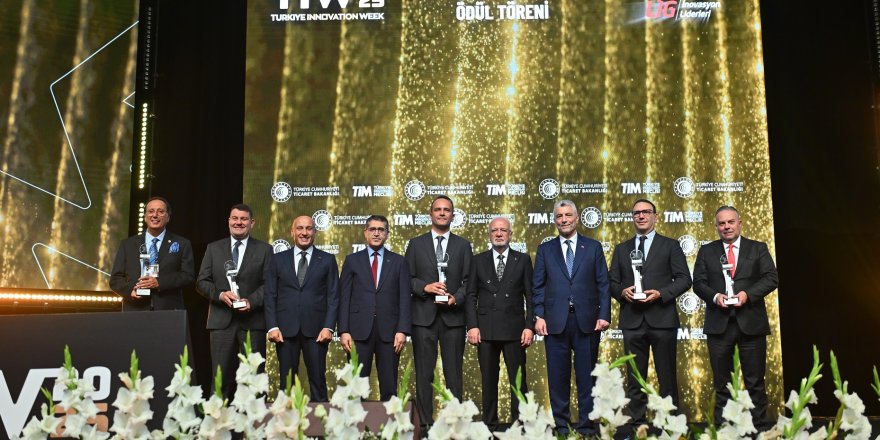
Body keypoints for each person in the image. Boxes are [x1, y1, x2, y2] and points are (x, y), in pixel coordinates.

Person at [609, 199, 691, 434]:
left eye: (646, 212)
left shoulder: (671, 246)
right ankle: (638, 425)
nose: (641, 216)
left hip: (662, 320)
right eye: (637, 213)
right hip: (632, 321)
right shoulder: (622, 248)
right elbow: (612, 282)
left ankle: (669, 425)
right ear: (632, 217)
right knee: (635, 377)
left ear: (656, 216)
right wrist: (622, 292)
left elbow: (685, 279)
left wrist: (661, 294)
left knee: (667, 377)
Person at [693, 205, 778, 431]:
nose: (726, 227)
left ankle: (759, 430)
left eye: (731, 222)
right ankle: (723, 431)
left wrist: (747, 295)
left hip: (751, 324)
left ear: (740, 223)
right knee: (722, 385)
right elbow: (698, 283)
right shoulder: (707, 251)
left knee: (755, 383)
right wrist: (716, 297)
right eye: (721, 223)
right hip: (719, 325)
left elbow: (771, 278)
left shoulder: (758, 248)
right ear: (716, 226)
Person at [533, 199, 610, 436]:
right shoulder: (545, 249)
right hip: (554, 323)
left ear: (576, 218)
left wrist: (604, 315)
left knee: (587, 379)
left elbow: (603, 284)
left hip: (587, 322)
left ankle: (587, 427)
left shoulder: (593, 247)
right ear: (554, 220)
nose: (564, 220)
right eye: (559, 216)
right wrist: (539, 315)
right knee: (558, 379)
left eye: (568, 215)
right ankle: (563, 428)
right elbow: (538, 286)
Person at [404, 195, 473, 429]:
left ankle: (455, 425)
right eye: (438, 209)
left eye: (447, 210)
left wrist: (456, 298)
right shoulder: (416, 244)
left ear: (453, 215)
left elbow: (468, 282)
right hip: (423, 318)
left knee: (454, 375)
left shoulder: (463, 245)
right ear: (431, 214)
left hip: (453, 318)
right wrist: (425, 287)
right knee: (424, 374)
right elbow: (407, 279)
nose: (442, 213)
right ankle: (425, 425)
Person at [196, 203, 274, 399]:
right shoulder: (213, 248)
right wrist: (220, 295)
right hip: (221, 322)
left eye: (244, 219)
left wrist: (251, 301)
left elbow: (270, 284)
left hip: (253, 322)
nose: (239, 222)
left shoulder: (265, 250)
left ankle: (254, 419)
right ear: (229, 221)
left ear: (252, 223)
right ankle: (217, 417)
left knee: (254, 380)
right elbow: (202, 282)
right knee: (220, 379)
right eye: (235, 218)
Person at [465, 217, 534, 431]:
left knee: (518, 381)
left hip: (515, 330)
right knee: (488, 381)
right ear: (489, 235)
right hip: (485, 330)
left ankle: (520, 426)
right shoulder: (478, 260)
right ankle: (489, 426)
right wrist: (472, 326)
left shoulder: (523, 260)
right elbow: (471, 295)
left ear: (510, 234)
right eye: (494, 230)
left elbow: (531, 296)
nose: (499, 233)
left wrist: (529, 326)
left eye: (503, 230)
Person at [264, 215, 339, 401]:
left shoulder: (327, 260)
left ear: (315, 232)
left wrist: (329, 327)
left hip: (317, 331)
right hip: (284, 331)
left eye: (308, 228)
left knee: (318, 383)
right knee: (287, 384)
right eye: (300, 228)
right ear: (292, 231)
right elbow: (270, 295)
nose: (304, 233)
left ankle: (320, 420)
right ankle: (286, 420)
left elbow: (333, 296)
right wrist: (272, 326)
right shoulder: (277, 259)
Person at [338, 215, 411, 401]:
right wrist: (343, 330)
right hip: (358, 331)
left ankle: (389, 420)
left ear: (387, 234)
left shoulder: (399, 261)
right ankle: (355, 420)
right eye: (372, 229)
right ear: (365, 233)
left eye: (381, 230)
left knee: (389, 386)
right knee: (356, 387)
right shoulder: (352, 260)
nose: (376, 233)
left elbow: (405, 298)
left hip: (390, 332)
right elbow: (344, 297)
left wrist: (402, 330)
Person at [110, 196, 194, 311]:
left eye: (161, 211)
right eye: (151, 211)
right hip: (135, 310)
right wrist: (130, 291)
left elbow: (187, 276)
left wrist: (159, 282)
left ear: (168, 217)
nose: (155, 215)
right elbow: (115, 279)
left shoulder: (182, 243)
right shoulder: (127, 245)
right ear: (145, 217)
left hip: (168, 310)